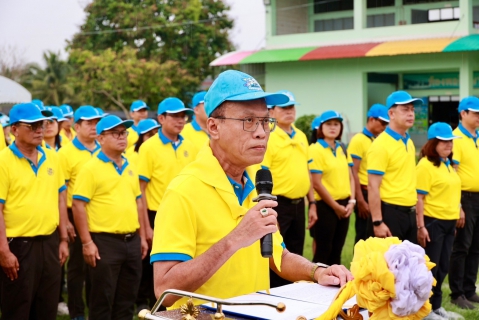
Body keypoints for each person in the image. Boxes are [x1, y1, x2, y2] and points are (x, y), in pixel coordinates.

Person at [151, 70, 353, 309]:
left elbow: (279, 256)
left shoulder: (256, 185)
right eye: (248, 121)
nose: (261, 132)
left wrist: (317, 271)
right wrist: (236, 238)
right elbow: (164, 289)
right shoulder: (183, 191)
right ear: (214, 127)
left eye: (265, 121)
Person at [72, 115, 148, 319]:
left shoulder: (130, 165)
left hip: (131, 241)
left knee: (126, 300)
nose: (122, 137)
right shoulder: (91, 168)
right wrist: (87, 243)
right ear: (100, 138)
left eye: (124, 133)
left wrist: (141, 236)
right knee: (102, 300)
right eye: (115, 133)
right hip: (105, 242)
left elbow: (138, 201)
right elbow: (78, 205)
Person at [0, 103, 69, 319]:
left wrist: (63, 239)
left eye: (41, 124)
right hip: (18, 246)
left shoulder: (52, 157)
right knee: (18, 308)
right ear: (14, 129)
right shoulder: (3, 161)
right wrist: (3, 251)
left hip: (49, 243)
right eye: (32, 125)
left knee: (47, 307)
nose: (39, 129)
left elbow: (60, 197)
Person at [137, 97, 197, 309]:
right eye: (174, 116)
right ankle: (150, 305)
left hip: (186, 212)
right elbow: (141, 190)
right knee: (156, 265)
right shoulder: (148, 147)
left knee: (184, 262)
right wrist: (146, 226)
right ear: (161, 118)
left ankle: (181, 304)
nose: (180, 120)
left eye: (183, 116)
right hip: (157, 213)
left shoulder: (190, 146)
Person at [261, 90, 317, 288]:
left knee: (296, 251)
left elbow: (306, 170)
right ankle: (276, 295)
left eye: (292, 107)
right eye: (284, 108)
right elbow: (263, 172)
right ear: (272, 111)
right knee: (277, 254)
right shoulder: (268, 135)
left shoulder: (301, 135)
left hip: (299, 203)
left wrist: (312, 203)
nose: (289, 111)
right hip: (278, 204)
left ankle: (296, 294)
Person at [58, 105, 105, 320]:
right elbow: (62, 188)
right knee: (77, 266)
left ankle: (94, 307)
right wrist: (66, 222)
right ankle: (77, 311)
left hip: (98, 213)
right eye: (89, 123)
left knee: (96, 265)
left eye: (97, 122)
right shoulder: (66, 153)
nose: (94, 127)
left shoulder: (102, 149)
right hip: (74, 211)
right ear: (77, 126)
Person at [415, 123, 462, 320]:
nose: (449, 145)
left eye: (450, 141)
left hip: (450, 222)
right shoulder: (425, 165)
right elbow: (419, 198)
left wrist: (459, 211)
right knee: (431, 268)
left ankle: (436, 306)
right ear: (433, 143)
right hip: (433, 222)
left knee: (443, 266)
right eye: (444, 142)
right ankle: (425, 311)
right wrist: (421, 226)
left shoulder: (448, 164)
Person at [367, 91, 421, 242]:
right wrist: (377, 222)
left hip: (409, 212)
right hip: (390, 213)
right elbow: (373, 186)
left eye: (412, 110)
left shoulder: (408, 142)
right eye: (405, 109)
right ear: (391, 113)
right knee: (389, 264)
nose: (410, 114)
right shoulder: (381, 145)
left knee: (408, 264)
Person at [309, 110, 355, 265]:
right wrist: (335, 206)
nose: (333, 127)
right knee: (323, 252)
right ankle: (315, 287)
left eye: (336, 124)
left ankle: (335, 287)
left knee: (337, 251)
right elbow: (316, 183)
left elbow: (351, 177)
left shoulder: (342, 147)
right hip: (326, 206)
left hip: (345, 205)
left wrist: (352, 201)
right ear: (321, 128)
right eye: (328, 124)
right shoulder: (315, 149)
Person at [448, 96, 479, 309]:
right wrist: (457, 206)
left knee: (476, 247)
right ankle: (456, 292)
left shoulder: (477, 137)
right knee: (462, 247)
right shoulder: (456, 138)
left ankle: (469, 289)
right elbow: (454, 173)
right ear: (463, 114)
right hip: (465, 198)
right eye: (475, 113)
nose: (478, 117)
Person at [347, 104, 389, 243]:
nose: (384, 126)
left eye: (386, 123)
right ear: (371, 119)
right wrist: (360, 200)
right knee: (363, 236)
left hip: (376, 192)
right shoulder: (359, 140)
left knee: (374, 237)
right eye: (382, 122)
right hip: (364, 192)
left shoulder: (377, 140)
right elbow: (354, 172)